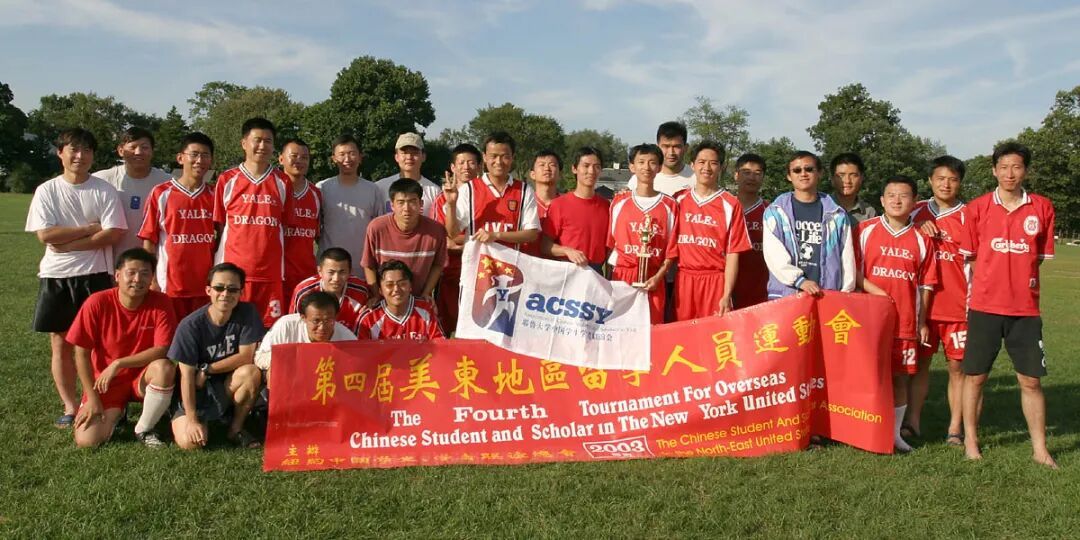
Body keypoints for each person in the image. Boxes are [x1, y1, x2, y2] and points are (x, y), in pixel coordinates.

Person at [958, 142, 1057, 468]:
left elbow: (1037, 258)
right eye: (1004, 167)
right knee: (975, 378)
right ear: (994, 170)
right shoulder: (977, 208)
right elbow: (972, 257)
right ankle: (971, 441)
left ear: (1025, 170)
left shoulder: (1042, 207)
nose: (1010, 173)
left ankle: (1040, 449)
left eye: (1016, 167)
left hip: (1025, 311)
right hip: (984, 307)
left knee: (1031, 381)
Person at [25, 128, 126, 428]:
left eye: (86, 150)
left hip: (96, 276)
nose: (80, 156)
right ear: (61, 153)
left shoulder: (104, 190)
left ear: (93, 155)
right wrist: (89, 229)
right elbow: (46, 234)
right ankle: (70, 406)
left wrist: (70, 244)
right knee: (60, 344)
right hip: (57, 275)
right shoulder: (47, 190)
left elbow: (113, 233)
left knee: (101, 346)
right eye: (74, 149)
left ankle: (100, 400)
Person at [858, 175, 937, 453]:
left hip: (904, 321)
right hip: (869, 321)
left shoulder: (922, 238)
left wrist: (921, 321)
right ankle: (864, 431)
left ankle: (894, 435)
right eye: (891, 195)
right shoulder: (864, 230)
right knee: (866, 375)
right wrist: (878, 293)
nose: (897, 200)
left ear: (914, 202)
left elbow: (926, 284)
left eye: (903, 195)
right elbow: (853, 273)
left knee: (900, 378)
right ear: (882, 200)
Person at [68, 248, 177, 448]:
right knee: (87, 441)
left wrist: (119, 363)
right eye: (131, 273)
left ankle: (144, 428)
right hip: (106, 382)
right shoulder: (97, 302)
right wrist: (92, 398)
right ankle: (118, 412)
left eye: (145, 273)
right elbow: (81, 353)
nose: (138, 279)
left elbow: (161, 349)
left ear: (152, 278)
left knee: (164, 368)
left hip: (142, 378)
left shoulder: (161, 302)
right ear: (117, 275)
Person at [169, 263, 265, 449]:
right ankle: (190, 418)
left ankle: (235, 429)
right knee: (190, 444)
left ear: (241, 292)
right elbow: (187, 378)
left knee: (251, 372)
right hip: (196, 390)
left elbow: (246, 356)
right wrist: (192, 420)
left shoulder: (247, 312)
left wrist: (207, 369)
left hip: (225, 383)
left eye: (232, 289)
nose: (225, 294)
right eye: (219, 288)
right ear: (208, 290)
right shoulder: (190, 326)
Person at [909, 155, 970, 446]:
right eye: (940, 178)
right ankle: (912, 423)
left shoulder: (970, 216)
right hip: (922, 307)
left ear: (960, 183)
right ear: (930, 181)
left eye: (952, 179)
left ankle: (955, 428)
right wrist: (917, 226)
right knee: (920, 365)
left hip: (958, 308)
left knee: (958, 369)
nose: (946, 184)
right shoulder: (914, 211)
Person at [213, 117, 293, 328]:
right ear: (244, 143)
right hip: (234, 273)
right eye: (257, 140)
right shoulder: (227, 179)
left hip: (270, 273)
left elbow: (284, 224)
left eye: (268, 141)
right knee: (232, 327)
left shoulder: (283, 181)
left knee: (269, 330)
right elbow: (220, 226)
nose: (262, 146)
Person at [139, 132, 217, 319]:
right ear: (180, 158)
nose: (199, 161)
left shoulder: (215, 195)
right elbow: (149, 241)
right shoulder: (161, 193)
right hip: (170, 286)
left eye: (205, 155)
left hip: (206, 287)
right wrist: (152, 280)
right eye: (194, 154)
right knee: (170, 335)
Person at [671, 142, 751, 321]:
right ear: (692, 165)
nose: (706, 168)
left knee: (714, 334)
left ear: (721, 167)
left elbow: (733, 253)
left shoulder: (731, 204)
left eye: (713, 163)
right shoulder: (678, 199)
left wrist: (726, 294)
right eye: (701, 162)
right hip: (683, 279)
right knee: (681, 334)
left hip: (715, 281)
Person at [762, 151, 856, 298]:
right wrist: (799, 281)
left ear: (820, 173)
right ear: (789, 176)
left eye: (809, 169)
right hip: (787, 295)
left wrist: (845, 293)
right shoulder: (775, 212)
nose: (803, 174)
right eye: (797, 170)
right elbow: (773, 254)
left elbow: (847, 257)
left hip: (827, 296)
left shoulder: (837, 214)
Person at [608, 144, 678, 324]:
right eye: (641, 162)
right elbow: (610, 245)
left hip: (653, 278)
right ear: (632, 166)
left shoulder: (670, 205)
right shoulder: (619, 202)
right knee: (619, 329)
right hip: (623, 276)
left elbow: (671, 251)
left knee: (652, 331)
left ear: (659, 167)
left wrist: (658, 277)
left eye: (652, 162)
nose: (646, 167)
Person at [442, 131, 540, 249]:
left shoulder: (524, 190)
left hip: (510, 260)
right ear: (484, 157)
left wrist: (497, 235)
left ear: (512, 158)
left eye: (505, 156)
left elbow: (532, 234)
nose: (498, 162)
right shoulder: (469, 189)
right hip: (477, 260)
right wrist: (451, 204)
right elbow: (452, 233)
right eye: (493, 156)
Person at [93, 127, 173, 264]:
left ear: (152, 151)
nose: (138, 152)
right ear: (121, 150)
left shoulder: (168, 183)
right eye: (133, 147)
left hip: (154, 262)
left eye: (144, 147)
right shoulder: (101, 180)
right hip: (110, 262)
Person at [362, 179, 447, 302]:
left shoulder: (436, 230)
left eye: (412, 202)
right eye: (401, 202)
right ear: (392, 205)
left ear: (421, 204)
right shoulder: (377, 227)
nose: (406, 208)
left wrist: (427, 293)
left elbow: (438, 264)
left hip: (419, 299)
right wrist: (376, 295)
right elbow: (369, 265)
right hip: (385, 300)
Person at [430, 143, 482, 334]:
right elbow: (444, 241)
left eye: (471, 162)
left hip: (481, 272)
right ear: (453, 167)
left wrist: (462, 241)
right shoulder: (442, 200)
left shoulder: (486, 197)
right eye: (461, 163)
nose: (466, 167)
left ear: (479, 166)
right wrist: (473, 243)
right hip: (450, 273)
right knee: (447, 328)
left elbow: (488, 237)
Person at [317, 134, 386, 276]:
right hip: (330, 268)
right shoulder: (322, 188)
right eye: (342, 154)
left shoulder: (372, 190)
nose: (347, 159)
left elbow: (379, 229)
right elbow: (315, 227)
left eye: (352, 153)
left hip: (363, 267)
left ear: (360, 157)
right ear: (334, 158)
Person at [255, 291, 355, 389]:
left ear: (335, 317)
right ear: (303, 318)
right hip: (292, 380)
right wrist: (289, 358)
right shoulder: (286, 325)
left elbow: (358, 366)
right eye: (316, 321)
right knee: (275, 370)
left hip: (328, 382)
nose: (322, 327)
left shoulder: (347, 338)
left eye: (328, 320)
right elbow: (260, 356)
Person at [542, 147, 610, 273]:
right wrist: (567, 251)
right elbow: (545, 246)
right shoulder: (559, 205)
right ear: (574, 169)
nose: (591, 171)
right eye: (586, 166)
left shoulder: (607, 206)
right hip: (566, 271)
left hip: (596, 273)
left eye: (596, 167)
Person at [354, 260, 444, 341]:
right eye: (389, 285)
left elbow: (440, 346)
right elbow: (359, 351)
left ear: (410, 286)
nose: (396, 289)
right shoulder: (368, 319)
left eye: (402, 284)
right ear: (380, 290)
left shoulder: (426, 311)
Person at [278, 138, 322, 296]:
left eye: (304, 157)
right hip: (276, 273)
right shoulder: (272, 188)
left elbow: (316, 235)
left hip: (305, 274)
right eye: (294, 156)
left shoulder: (315, 193)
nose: (299, 161)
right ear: (281, 159)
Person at [289, 248, 371, 330]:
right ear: (320, 271)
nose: (336, 279)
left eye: (342, 272)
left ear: (350, 272)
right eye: (331, 272)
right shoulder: (303, 292)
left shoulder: (361, 290)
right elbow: (293, 326)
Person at [731, 153, 770, 309]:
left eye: (757, 173)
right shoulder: (724, 206)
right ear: (736, 175)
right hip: (726, 286)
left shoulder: (770, 211)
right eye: (746, 172)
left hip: (759, 286)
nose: (752, 178)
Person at [374, 133, 441, 216]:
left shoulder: (434, 191)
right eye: (404, 153)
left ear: (423, 157)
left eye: (415, 153)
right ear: (396, 157)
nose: (409, 157)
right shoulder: (380, 187)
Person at [626, 121, 694, 195]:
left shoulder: (697, 178)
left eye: (676, 147)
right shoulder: (639, 179)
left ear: (686, 148)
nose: (671, 152)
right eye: (666, 146)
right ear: (658, 147)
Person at [522, 150, 562, 257]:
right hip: (528, 263)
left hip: (559, 265)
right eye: (542, 165)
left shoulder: (567, 206)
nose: (547, 168)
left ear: (560, 174)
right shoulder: (524, 203)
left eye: (552, 165)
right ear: (532, 174)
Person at [830, 152, 878, 225]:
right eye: (841, 175)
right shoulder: (821, 207)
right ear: (832, 179)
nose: (847, 181)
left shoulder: (869, 213)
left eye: (853, 175)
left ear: (861, 178)